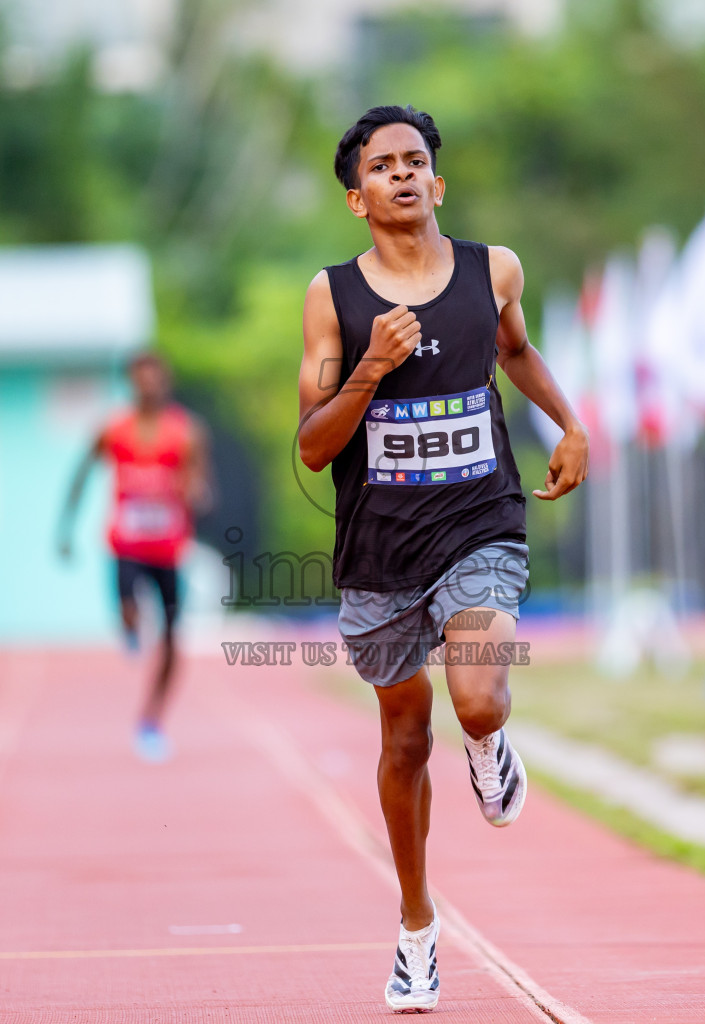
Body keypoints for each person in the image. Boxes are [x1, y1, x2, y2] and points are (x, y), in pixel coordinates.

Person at [297, 105, 588, 1013]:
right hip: (379, 548)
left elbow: (518, 349)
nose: (403, 174)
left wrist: (570, 424)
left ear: (439, 182)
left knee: (475, 696)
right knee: (404, 737)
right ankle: (418, 927)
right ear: (358, 198)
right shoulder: (332, 296)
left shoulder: (490, 269)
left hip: (480, 523)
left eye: (416, 160)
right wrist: (369, 370)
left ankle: (493, 741)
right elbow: (312, 445)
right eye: (383, 166)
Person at [58, 352, 212, 763]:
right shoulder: (113, 430)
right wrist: (65, 529)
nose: (149, 386)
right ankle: (129, 626)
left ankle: (151, 720)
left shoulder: (187, 432)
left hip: (168, 549)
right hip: (126, 545)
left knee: (172, 640)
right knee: (130, 614)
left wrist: (192, 491)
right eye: (140, 379)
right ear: (131, 383)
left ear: (166, 381)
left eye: (155, 378)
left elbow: (203, 488)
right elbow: (81, 475)